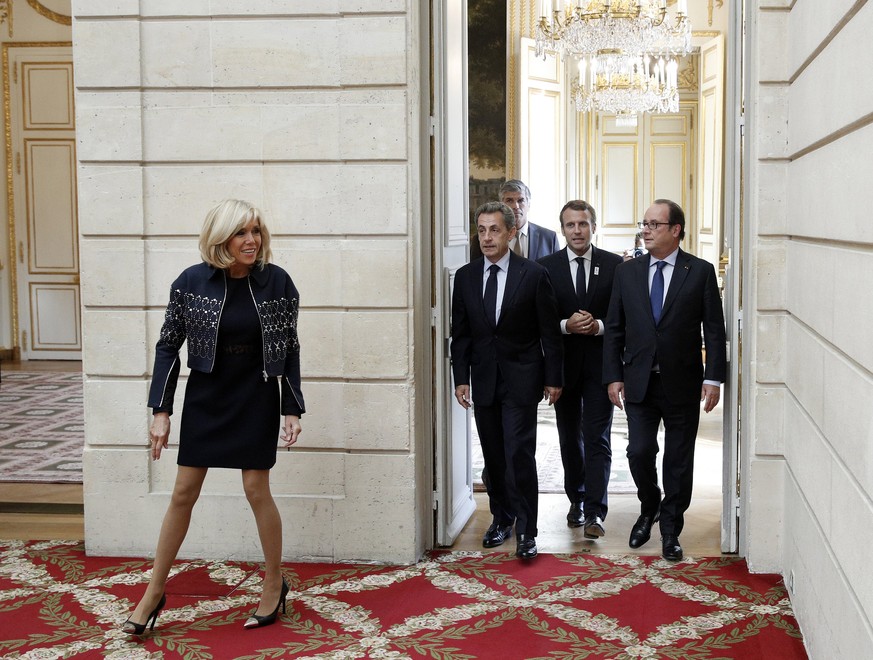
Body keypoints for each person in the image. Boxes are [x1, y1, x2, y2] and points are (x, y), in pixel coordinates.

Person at [122, 199, 305, 634]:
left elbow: (291, 346)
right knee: (183, 492)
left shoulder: (277, 283)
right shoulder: (191, 282)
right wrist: (161, 411)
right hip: (208, 394)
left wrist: (291, 405)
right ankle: (154, 591)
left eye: (256, 231)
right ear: (221, 237)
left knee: (256, 488)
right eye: (242, 232)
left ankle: (273, 583)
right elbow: (168, 346)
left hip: (256, 393)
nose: (251, 240)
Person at [603, 199, 726, 562]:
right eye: (644, 223)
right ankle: (649, 506)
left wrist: (713, 378)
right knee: (639, 451)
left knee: (678, 459)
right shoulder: (627, 273)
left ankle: (671, 528)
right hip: (639, 380)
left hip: (683, 382)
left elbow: (714, 331)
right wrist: (613, 376)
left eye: (655, 224)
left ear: (676, 230)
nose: (646, 230)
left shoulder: (699, 271)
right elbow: (614, 329)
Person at [451, 201, 563, 560]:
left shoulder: (532, 274)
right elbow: (462, 334)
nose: (486, 237)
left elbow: (550, 332)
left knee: (518, 453)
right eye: (481, 230)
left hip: (521, 379)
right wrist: (461, 378)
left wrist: (553, 377)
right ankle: (501, 518)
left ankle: (528, 530)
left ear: (511, 232)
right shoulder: (466, 277)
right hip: (483, 380)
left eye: (494, 229)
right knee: (493, 457)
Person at [538, 201, 622, 540]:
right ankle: (577, 500)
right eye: (571, 225)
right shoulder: (545, 268)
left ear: (593, 226)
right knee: (569, 439)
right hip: (563, 369)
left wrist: (598, 326)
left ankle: (595, 511)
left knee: (597, 437)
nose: (577, 230)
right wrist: (566, 325)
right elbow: (541, 322)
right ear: (562, 229)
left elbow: (621, 318)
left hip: (602, 367)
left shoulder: (615, 266)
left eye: (583, 224)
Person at [470, 179, 559, 261]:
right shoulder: (480, 240)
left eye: (520, 200)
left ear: (528, 204)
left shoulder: (549, 238)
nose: (515, 206)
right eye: (509, 200)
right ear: (501, 205)